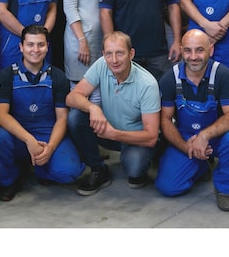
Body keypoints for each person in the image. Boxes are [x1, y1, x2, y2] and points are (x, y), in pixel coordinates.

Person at [154, 29, 229, 211]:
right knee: (168, 187)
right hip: (187, 138)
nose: (193, 57)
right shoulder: (170, 78)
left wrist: (204, 136)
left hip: (219, 137)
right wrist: (186, 147)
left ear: (211, 50)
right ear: (181, 51)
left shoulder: (223, 75)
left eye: (199, 50)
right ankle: (200, 166)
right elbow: (165, 120)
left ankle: (224, 189)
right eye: (188, 50)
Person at [0, 25, 84, 201]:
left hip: (48, 135)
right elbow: (0, 115)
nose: (35, 50)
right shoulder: (6, 75)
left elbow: (62, 118)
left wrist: (50, 147)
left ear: (47, 47)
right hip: (18, 136)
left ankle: (41, 167)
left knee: (69, 172)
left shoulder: (58, 77)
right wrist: (29, 140)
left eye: (40, 45)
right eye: (30, 44)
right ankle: (10, 179)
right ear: (21, 47)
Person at [67, 31, 160, 195]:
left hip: (135, 138)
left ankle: (145, 159)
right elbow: (71, 98)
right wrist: (93, 108)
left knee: (135, 168)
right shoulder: (101, 64)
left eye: (120, 53)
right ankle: (98, 169)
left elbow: (151, 137)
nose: (114, 60)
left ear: (131, 54)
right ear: (103, 54)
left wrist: (115, 134)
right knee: (75, 117)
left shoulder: (148, 85)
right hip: (107, 131)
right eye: (109, 54)